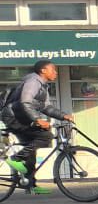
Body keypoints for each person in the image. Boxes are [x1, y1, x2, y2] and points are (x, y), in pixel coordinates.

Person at [6, 60, 70, 194]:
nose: (56, 72)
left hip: (21, 117)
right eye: (53, 69)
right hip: (13, 117)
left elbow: (46, 107)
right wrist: (38, 120)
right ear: (43, 71)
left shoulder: (43, 86)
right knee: (45, 135)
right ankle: (17, 158)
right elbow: (25, 102)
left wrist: (63, 116)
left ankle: (30, 185)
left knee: (31, 150)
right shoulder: (33, 82)